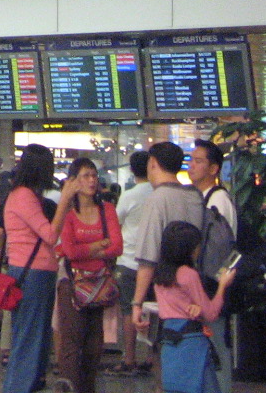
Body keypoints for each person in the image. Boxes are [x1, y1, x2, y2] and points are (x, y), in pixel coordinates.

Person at [54, 158, 123, 393]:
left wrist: (88, 248)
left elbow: (117, 247)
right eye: (85, 175)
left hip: (99, 282)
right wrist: (98, 245)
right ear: (73, 181)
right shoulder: (68, 213)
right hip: (72, 283)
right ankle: (69, 388)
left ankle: (88, 388)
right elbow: (70, 252)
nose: (91, 180)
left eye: (94, 175)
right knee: (72, 342)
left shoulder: (107, 210)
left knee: (95, 344)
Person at [2, 143, 66, 393]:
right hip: (33, 275)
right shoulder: (24, 196)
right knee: (30, 339)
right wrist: (66, 200)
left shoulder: (23, 194)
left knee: (34, 338)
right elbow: (50, 235)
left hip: (30, 273)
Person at [129, 142, 205, 337]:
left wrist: (137, 303)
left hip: (168, 291)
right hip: (196, 287)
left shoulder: (157, 199)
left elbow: (148, 256)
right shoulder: (195, 196)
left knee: (168, 346)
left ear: (153, 163)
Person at [152, 220, 234, 393]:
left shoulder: (160, 276)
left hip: (169, 341)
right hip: (192, 343)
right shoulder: (188, 275)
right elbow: (210, 313)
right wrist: (222, 286)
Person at [188, 140, 237, 393]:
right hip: (207, 285)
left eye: (198, 161)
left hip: (212, 286)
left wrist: (216, 287)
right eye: (191, 159)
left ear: (214, 168)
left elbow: (221, 250)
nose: (191, 165)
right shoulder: (203, 198)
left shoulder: (218, 200)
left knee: (217, 346)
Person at [110, 149, 153, 377]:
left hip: (128, 261)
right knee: (152, 310)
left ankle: (129, 358)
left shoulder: (129, 195)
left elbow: (116, 223)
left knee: (128, 310)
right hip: (154, 261)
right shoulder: (158, 192)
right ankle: (151, 357)